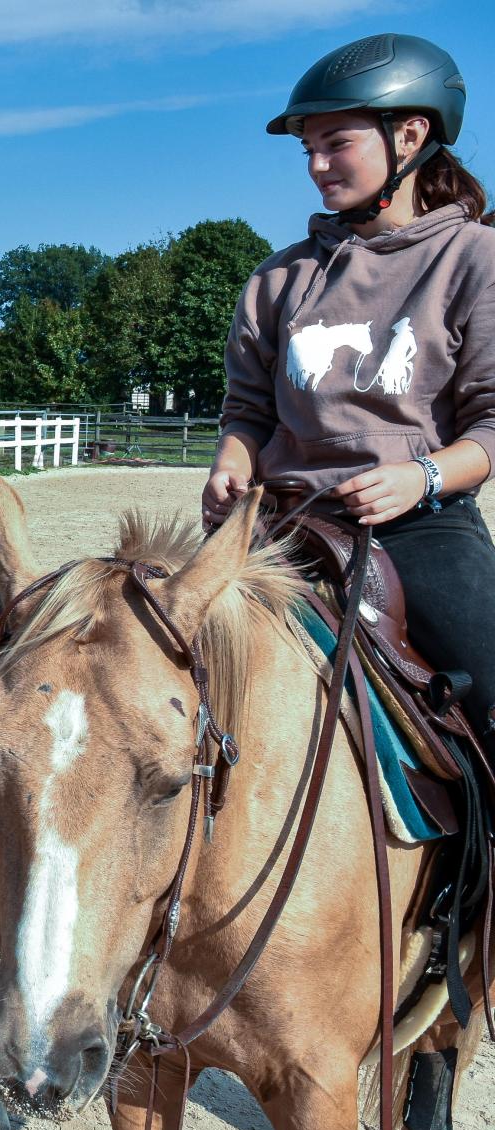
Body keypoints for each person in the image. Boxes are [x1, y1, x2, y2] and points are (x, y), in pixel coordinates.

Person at [207, 32, 495, 760]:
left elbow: (491, 426)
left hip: (418, 527)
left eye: (336, 143)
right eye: (308, 149)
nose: (315, 166)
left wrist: (420, 476)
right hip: (279, 528)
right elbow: (248, 412)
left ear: (411, 135)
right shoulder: (277, 280)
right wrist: (230, 462)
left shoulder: (476, 260)